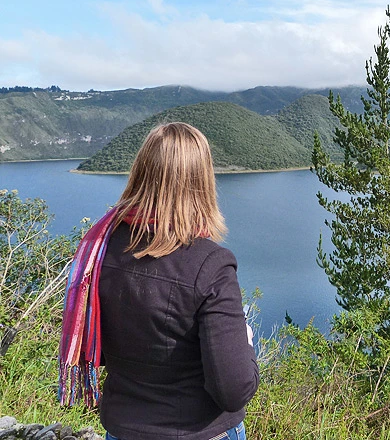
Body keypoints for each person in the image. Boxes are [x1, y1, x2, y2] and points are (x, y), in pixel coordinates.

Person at [59, 122, 259, 440]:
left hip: (123, 430)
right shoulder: (211, 265)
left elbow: (104, 350)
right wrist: (246, 342)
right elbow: (233, 390)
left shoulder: (99, 248)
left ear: (140, 172)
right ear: (202, 181)